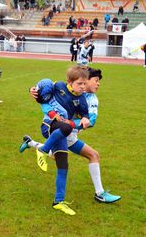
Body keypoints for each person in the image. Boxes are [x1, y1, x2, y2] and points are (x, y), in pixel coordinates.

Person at [20, 67, 121, 204]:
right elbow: (46, 91)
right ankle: (98, 194)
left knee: (84, 156)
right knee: (66, 159)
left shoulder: (90, 100)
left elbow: (90, 121)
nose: (97, 84)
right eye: (95, 81)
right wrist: (33, 89)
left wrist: (77, 122)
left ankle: (31, 143)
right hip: (57, 129)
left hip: (69, 135)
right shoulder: (65, 87)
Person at [19, 66, 91, 215]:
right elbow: (41, 93)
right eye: (80, 83)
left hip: (61, 131)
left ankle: (58, 202)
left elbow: (85, 115)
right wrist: (32, 90)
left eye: (85, 83)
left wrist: (85, 119)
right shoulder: (58, 86)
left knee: (63, 165)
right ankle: (42, 150)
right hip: (49, 126)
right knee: (68, 126)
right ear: (69, 82)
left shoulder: (82, 99)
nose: (83, 87)